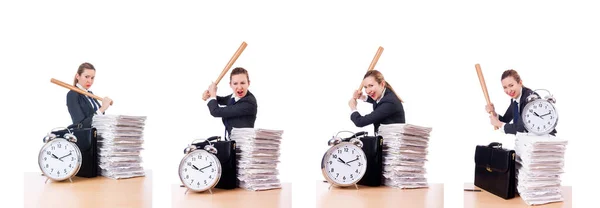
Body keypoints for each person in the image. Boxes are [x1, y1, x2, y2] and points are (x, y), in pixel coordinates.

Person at [486, 69, 557, 135]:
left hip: (544, 140)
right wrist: (494, 113)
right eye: (505, 87)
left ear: (520, 83)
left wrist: (499, 124)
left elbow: (520, 128)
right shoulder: (515, 100)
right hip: (528, 140)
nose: (508, 90)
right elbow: (505, 120)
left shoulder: (530, 99)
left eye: (511, 85)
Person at [203, 67, 257, 138]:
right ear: (230, 85)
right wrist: (209, 95)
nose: (239, 87)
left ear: (248, 83)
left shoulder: (249, 103)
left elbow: (215, 111)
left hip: (243, 145)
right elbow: (222, 100)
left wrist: (213, 94)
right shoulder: (234, 96)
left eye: (242, 83)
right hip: (232, 142)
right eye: (235, 83)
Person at [349, 70, 405, 134]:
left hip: (392, 141)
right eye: (365, 87)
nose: (367, 91)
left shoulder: (390, 102)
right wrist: (362, 97)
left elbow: (360, 122)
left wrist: (353, 107)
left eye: (371, 85)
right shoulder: (385, 94)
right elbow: (377, 101)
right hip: (383, 139)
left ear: (382, 84)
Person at [66, 62, 112, 128]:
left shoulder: (90, 94)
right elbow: (80, 125)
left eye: (92, 78)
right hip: (84, 137)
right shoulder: (72, 94)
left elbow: (100, 118)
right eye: (86, 77)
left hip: (97, 135)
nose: (90, 81)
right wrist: (102, 108)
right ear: (77, 76)